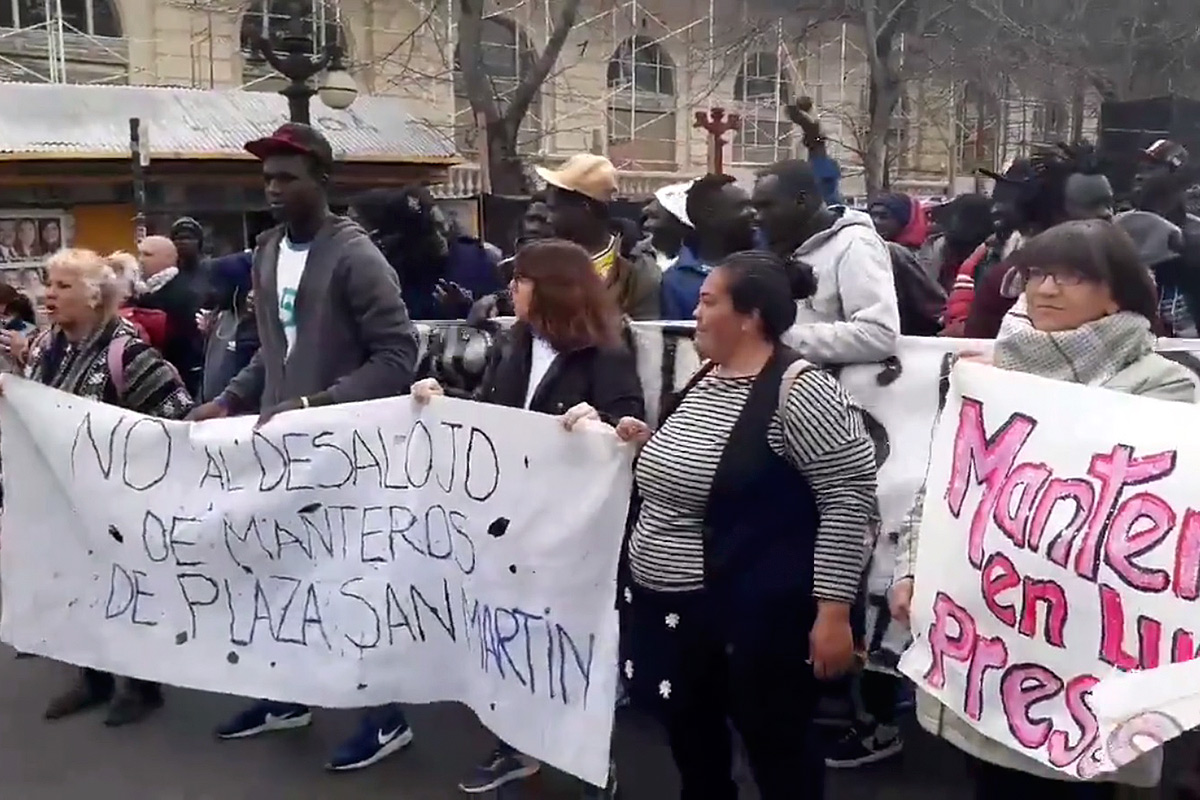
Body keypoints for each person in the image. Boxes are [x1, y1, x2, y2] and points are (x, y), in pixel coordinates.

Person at [891, 219, 1191, 800]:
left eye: (1073, 276)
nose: (1046, 290)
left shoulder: (1165, 391)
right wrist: (914, 568)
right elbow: (949, 486)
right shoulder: (994, 376)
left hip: (1087, 656)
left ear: (1120, 292)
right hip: (994, 650)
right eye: (1037, 273)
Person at [188, 122, 420, 772]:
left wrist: (320, 404)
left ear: (323, 180)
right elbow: (273, 345)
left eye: (287, 178)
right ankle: (286, 697)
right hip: (280, 448)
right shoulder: (265, 251)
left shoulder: (356, 255)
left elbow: (400, 354)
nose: (273, 190)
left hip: (347, 452)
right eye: (267, 179)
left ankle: (386, 718)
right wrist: (230, 398)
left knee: (350, 586)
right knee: (277, 577)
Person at [613, 249, 874, 799]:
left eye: (708, 302)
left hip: (749, 621)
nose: (695, 314)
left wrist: (832, 613)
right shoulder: (708, 375)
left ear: (750, 317)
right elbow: (684, 472)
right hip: (676, 615)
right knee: (694, 748)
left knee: (776, 752)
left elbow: (849, 501)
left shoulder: (802, 392)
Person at [412, 238, 644, 796]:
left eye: (521, 280)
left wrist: (604, 422)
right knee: (509, 636)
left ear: (553, 288)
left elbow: (628, 419)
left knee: (568, 640)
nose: (510, 289)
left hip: (568, 528)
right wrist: (439, 399)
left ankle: (592, 757)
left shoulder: (605, 349)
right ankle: (516, 745)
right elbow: (495, 413)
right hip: (511, 515)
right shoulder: (514, 340)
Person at [0, 247, 192, 725]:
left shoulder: (127, 351)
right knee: (79, 586)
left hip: (119, 503)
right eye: (49, 283)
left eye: (63, 286)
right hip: (62, 495)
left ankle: (142, 685)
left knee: (127, 589)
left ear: (94, 297)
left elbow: (178, 418)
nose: (48, 294)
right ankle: (93, 677)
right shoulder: (45, 345)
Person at [752, 158, 899, 364]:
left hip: (834, 392)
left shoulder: (856, 244)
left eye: (766, 206)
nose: (757, 217)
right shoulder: (780, 245)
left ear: (801, 201)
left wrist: (776, 339)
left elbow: (878, 335)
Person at [962, 143, 1115, 338]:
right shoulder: (1006, 283)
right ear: (1053, 214)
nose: (1106, 214)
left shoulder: (1127, 278)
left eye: (1109, 204)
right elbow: (977, 353)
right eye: (1090, 206)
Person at [535, 154, 661, 320]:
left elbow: (647, 338)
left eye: (554, 209)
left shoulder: (636, 270)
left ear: (584, 207)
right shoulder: (541, 261)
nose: (549, 219)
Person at [351, 186, 503, 320]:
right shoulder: (390, 271)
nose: (439, 238)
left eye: (441, 227)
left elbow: (503, 316)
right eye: (428, 232)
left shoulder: (477, 259)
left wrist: (468, 307)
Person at [658, 174, 757, 321]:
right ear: (708, 214)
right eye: (741, 207)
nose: (753, 212)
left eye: (751, 205)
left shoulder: (769, 261)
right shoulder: (675, 281)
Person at [1130, 140, 1200, 337]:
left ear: (1175, 176)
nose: (1138, 176)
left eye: (1150, 168)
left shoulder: (1194, 234)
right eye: (1139, 168)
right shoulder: (1122, 226)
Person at [133, 235, 204, 395]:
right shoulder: (142, 292)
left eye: (148, 254)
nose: (141, 260)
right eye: (140, 254)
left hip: (179, 378)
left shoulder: (184, 293)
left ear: (169, 258)